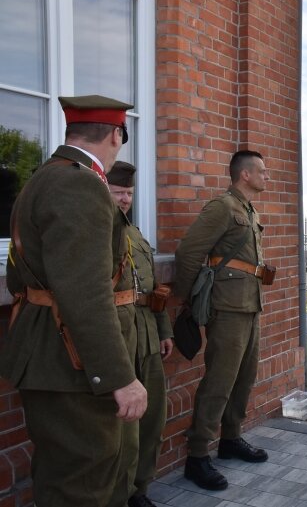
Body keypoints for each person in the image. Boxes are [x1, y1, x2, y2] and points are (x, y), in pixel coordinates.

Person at [1, 95, 147, 507]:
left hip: (54, 353)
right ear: (117, 134)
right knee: (84, 483)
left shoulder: (47, 176)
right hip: (71, 362)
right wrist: (119, 377)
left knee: (67, 474)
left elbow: (21, 276)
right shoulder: (79, 183)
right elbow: (86, 292)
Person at [174, 149, 271, 491]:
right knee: (219, 381)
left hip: (249, 305)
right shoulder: (222, 207)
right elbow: (189, 252)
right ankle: (197, 455)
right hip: (227, 308)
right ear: (244, 175)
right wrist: (183, 301)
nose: (266, 176)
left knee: (244, 378)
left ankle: (230, 438)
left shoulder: (248, 209)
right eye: (261, 171)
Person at [107, 161, 174, 507]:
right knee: (126, 430)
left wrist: (164, 330)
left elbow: (151, 289)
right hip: (120, 339)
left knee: (153, 419)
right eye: (118, 191)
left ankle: (141, 488)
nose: (124, 199)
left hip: (147, 335)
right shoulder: (100, 232)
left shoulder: (135, 233)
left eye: (129, 193)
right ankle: (124, 495)